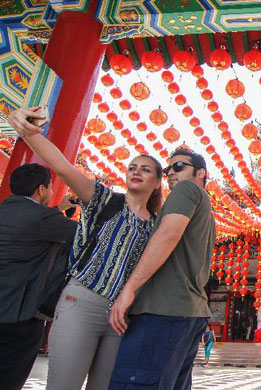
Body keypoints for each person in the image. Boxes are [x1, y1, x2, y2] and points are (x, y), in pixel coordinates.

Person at [9, 107, 163, 390]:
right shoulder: (105, 199)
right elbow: (64, 167)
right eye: (132, 167)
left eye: (146, 169)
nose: (137, 172)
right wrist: (29, 133)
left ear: (157, 183)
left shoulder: (157, 226)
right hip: (82, 302)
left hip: (121, 316)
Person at [109, 148, 216, 390]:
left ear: (201, 173)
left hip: (162, 310)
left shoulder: (187, 190)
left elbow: (168, 235)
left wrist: (130, 289)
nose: (171, 174)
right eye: (168, 170)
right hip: (188, 312)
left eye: (179, 167)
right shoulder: (206, 209)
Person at [0, 164, 78, 390]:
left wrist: (57, 211)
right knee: (9, 377)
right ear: (42, 189)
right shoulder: (44, 219)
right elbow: (83, 236)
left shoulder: (5, 210)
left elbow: (28, 226)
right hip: (18, 313)